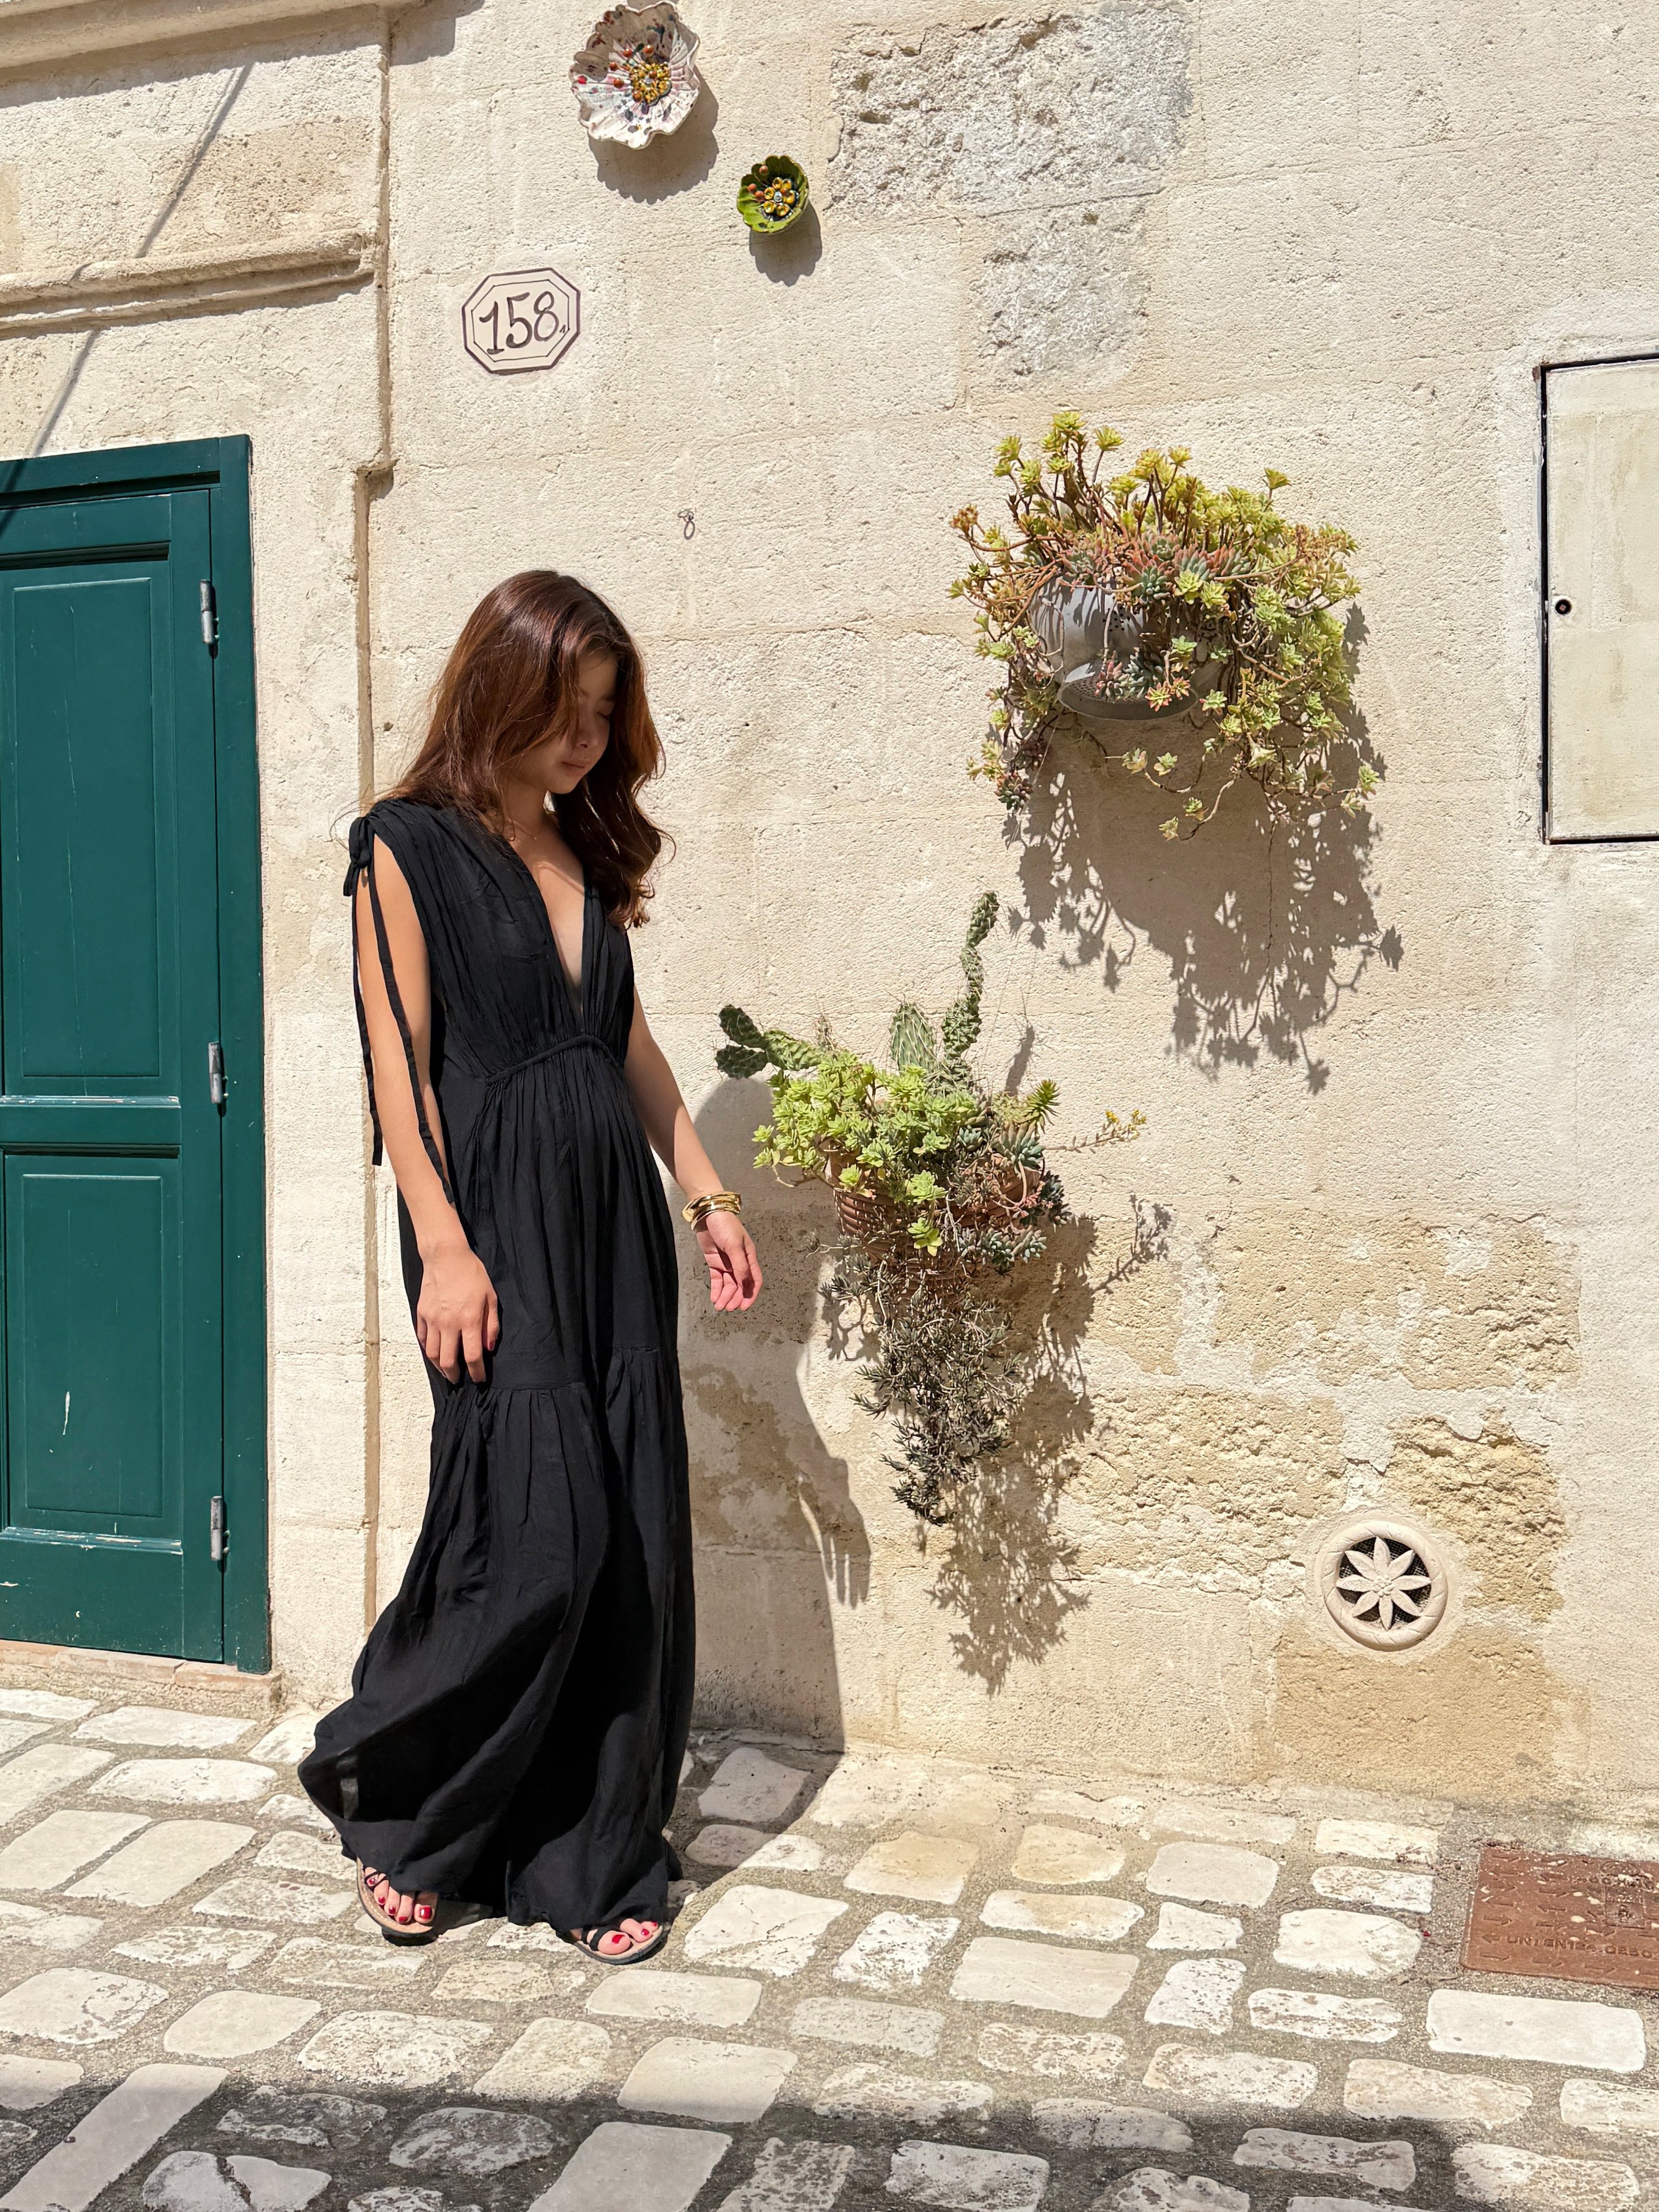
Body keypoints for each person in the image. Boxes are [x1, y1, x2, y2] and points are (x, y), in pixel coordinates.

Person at [298, 571, 761, 1962]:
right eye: (567, 710)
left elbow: (626, 1046)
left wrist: (706, 1188)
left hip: (609, 1225)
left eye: (607, 715)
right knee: (528, 1539)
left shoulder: (582, 850)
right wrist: (444, 1245)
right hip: (489, 1221)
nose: (587, 739)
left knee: (620, 1538)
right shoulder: (403, 847)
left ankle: (592, 1854)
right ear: (499, 689)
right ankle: (415, 1810)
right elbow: (401, 1066)